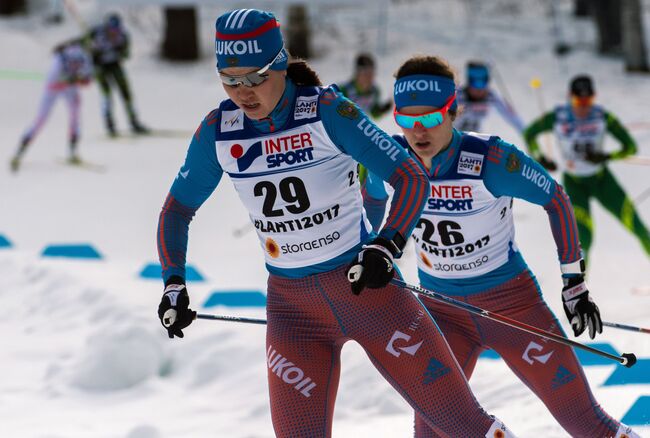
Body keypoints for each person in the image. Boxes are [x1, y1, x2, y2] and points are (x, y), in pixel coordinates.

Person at [156, 9, 515, 437]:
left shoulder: (327, 110)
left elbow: (410, 176)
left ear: (282, 64)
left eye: (255, 77)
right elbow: (176, 211)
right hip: (293, 313)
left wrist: (386, 244)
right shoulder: (220, 131)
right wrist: (174, 284)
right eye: (229, 80)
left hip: (370, 294)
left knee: (467, 428)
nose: (243, 92)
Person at [362, 55, 639, 438]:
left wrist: (574, 285)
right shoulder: (390, 159)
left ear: (453, 110)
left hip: (511, 307)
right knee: (430, 433)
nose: (418, 132)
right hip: (442, 311)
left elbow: (555, 199)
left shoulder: (490, 160)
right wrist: (372, 251)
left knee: (587, 423)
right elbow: (373, 199)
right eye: (407, 120)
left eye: (429, 119)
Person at [524, 74, 650, 263]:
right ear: (570, 97)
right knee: (584, 242)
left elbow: (630, 147)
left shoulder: (602, 116)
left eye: (588, 100)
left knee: (637, 226)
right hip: (575, 185)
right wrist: (540, 158)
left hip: (602, 181)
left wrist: (607, 156)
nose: (583, 106)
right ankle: (579, 290)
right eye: (578, 99)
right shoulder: (558, 117)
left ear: (594, 97)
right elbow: (530, 134)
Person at [10, 40, 92, 172]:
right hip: (53, 89)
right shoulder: (59, 60)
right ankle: (19, 153)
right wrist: (69, 80)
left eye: (77, 63)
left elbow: (88, 80)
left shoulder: (85, 58)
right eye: (72, 63)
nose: (75, 65)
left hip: (70, 88)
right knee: (40, 120)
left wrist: (80, 80)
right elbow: (52, 84)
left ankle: (73, 152)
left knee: (75, 118)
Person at [86, 13, 148, 136]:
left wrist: (118, 51)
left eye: (116, 29)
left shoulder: (123, 36)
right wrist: (93, 51)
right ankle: (110, 124)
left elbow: (126, 54)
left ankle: (134, 121)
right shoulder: (96, 34)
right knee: (106, 94)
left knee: (126, 92)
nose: (113, 32)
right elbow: (84, 47)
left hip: (114, 65)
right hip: (101, 67)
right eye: (111, 29)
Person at [338, 53, 393, 185]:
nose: (369, 77)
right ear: (357, 73)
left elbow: (374, 113)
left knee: (363, 168)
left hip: (364, 134)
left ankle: (360, 191)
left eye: (371, 73)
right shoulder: (344, 90)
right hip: (344, 137)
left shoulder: (374, 91)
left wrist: (384, 108)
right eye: (365, 73)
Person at [454, 61, 525, 134]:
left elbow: (512, 118)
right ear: (469, 82)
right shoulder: (457, 95)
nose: (479, 90)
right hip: (452, 138)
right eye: (474, 84)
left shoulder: (491, 97)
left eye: (483, 83)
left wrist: (525, 133)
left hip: (474, 139)